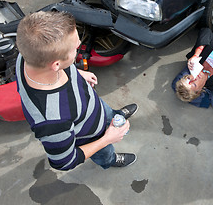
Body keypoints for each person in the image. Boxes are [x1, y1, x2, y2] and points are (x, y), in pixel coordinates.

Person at [15, 11, 138, 171]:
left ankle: (114, 117)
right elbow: (65, 162)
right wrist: (108, 138)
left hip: (92, 107)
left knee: (108, 114)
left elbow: (55, 60)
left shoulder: (29, 53)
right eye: (75, 49)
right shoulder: (52, 122)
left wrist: (77, 73)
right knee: (104, 153)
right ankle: (111, 159)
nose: (79, 48)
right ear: (56, 65)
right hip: (92, 136)